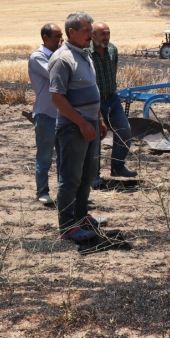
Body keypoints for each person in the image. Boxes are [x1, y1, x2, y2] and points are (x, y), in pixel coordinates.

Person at [49, 12, 107, 242]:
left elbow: (93, 90)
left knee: (86, 175)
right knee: (71, 178)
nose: (90, 35)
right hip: (73, 128)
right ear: (71, 32)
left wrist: (98, 119)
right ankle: (67, 227)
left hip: (90, 125)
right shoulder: (62, 59)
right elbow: (57, 97)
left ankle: (81, 217)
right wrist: (82, 123)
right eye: (86, 31)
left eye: (91, 30)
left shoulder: (84, 55)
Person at [89, 21, 136, 189]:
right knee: (95, 138)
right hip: (94, 100)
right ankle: (93, 175)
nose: (106, 37)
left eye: (108, 33)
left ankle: (117, 166)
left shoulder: (112, 50)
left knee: (125, 131)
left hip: (112, 98)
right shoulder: (87, 53)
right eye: (103, 34)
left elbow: (113, 71)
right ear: (93, 35)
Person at [28, 23, 63, 205]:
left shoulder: (59, 55)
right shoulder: (38, 57)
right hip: (46, 113)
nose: (60, 40)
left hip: (63, 113)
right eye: (57, 36)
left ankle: (64, 192)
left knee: (64, 156)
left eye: (61, 36)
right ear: (45, 38)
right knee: (45, 156)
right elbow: (55, 75)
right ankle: (42, 191)